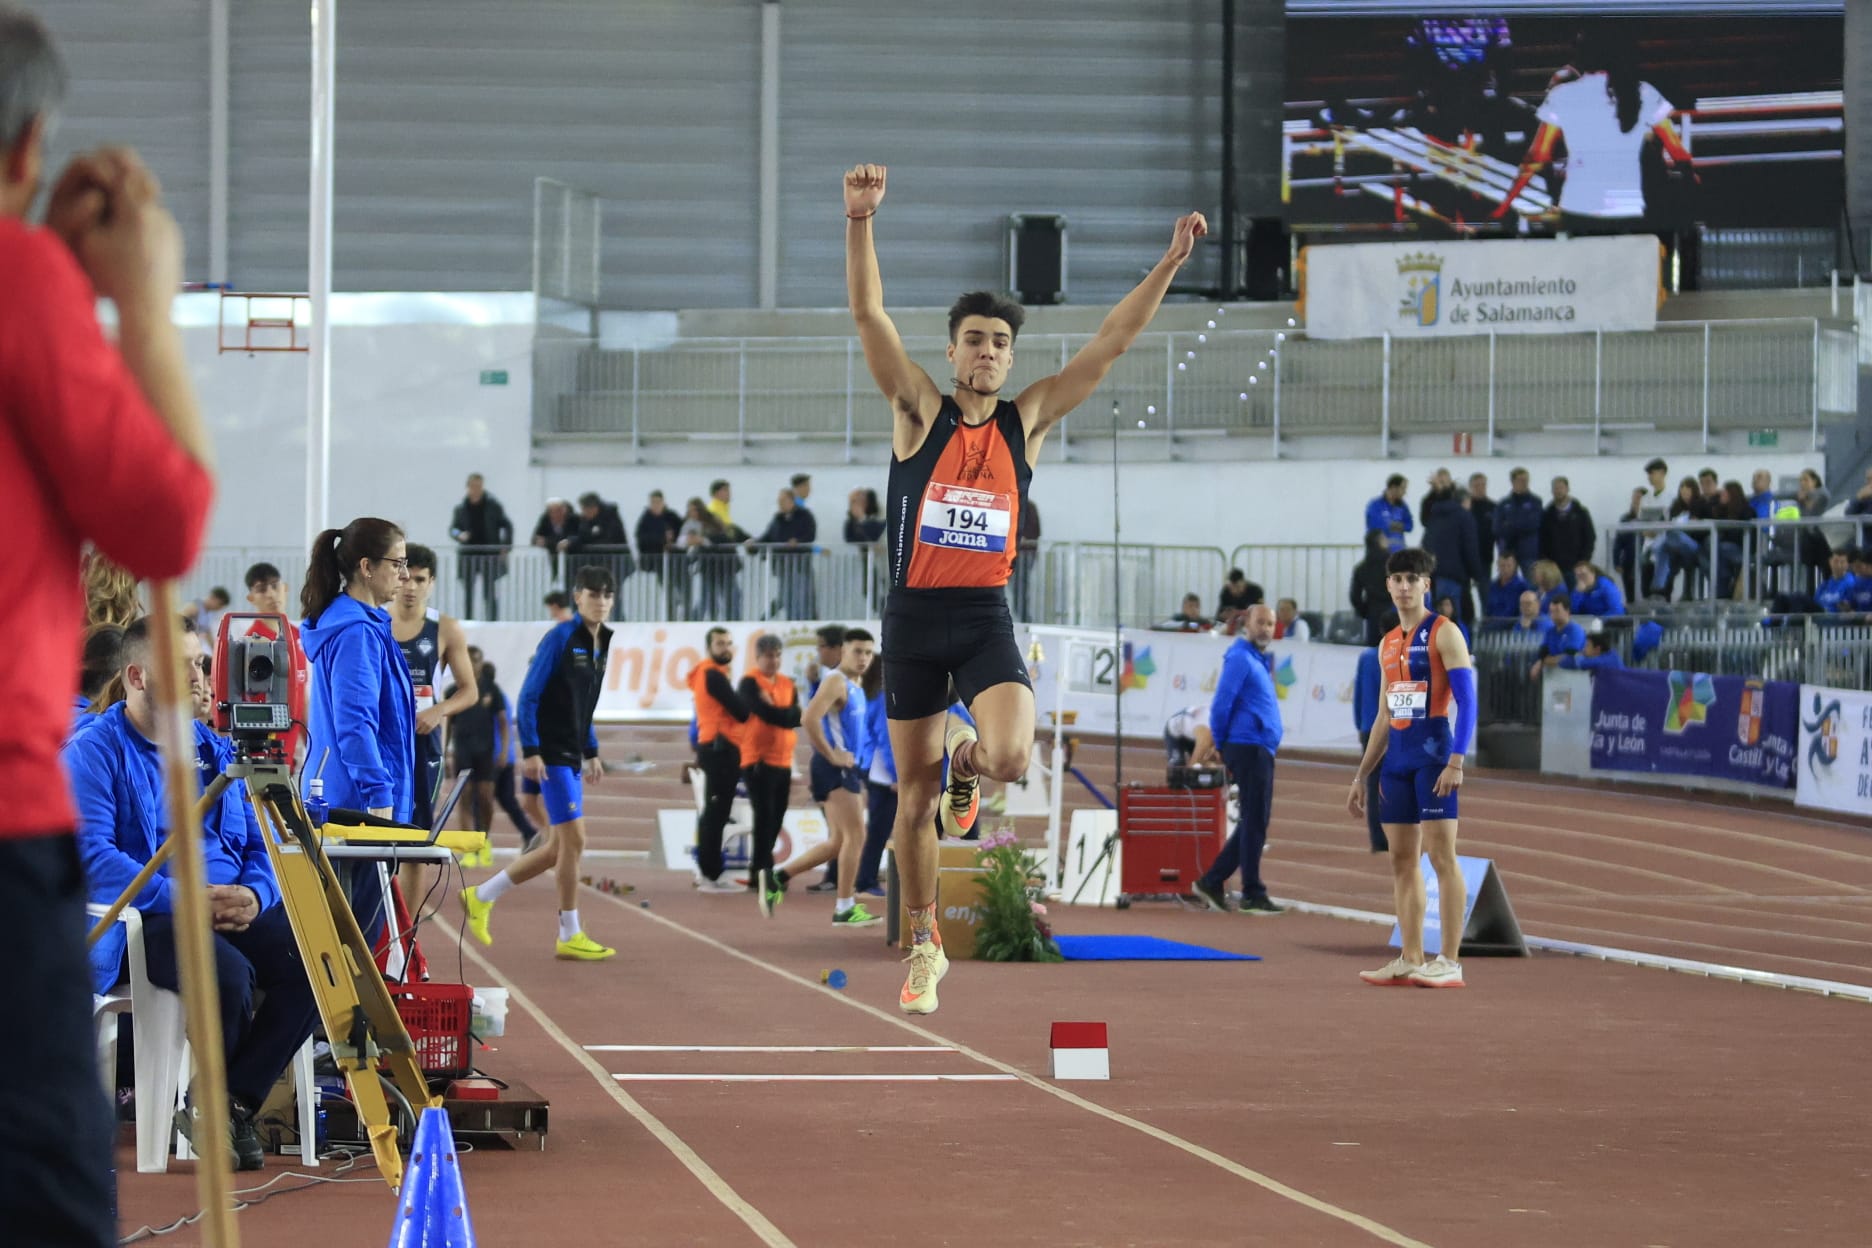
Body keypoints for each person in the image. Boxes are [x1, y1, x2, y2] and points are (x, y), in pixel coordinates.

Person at [846, 159, 1206, 1014]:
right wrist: (860, 220)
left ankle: (970, 763)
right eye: (975, 339)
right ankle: (925, 942)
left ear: (1011, 357)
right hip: (911, 621)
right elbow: (868, 312)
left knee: (1007, 757)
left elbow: (1110, 344)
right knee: (913, 802)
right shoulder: (917, 412)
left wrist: (1167, 266)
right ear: (953, 349)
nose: (988, 352)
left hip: (982, 617)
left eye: (1001, 342)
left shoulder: (1028, 418)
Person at [1, 22, 217, 1226]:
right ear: (31, 143)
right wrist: (142, 304)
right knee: (45, 1195)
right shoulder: (20, 283)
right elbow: (164, 521)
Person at [68, 617, 316, 1172]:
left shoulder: (219, 750)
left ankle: (225, 1102)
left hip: (229, 905)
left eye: (200, 662)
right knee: (227, 977)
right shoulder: (93, 751)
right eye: (182, 665)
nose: (200, 676)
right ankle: (219, 1107)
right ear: (136, 676)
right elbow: (92, 857)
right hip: (149, 915)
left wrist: (256, 894)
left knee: (324, 964)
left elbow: (265, 843)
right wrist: (181, 898)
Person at [461, 565, 616, 959]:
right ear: (577, 597)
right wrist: (530, 750)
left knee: (554, 848)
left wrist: (592, 748)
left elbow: (586, 704)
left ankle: (481, 896)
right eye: (592, 594)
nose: (600, 602)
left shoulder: (602, 642)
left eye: (606, 596)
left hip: (569, 751)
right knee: (575, 841)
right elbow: (529, 696)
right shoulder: (560, 637)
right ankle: (569, 933)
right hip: (549, 754)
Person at [1348, 547, 1476, 988]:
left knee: (1442, 857)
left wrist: (1457, 761)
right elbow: (1384, 716)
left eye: (1412, 579)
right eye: (1397, 579)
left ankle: (1450, 960)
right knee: (1402, 860)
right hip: (1397, 763)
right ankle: (1410, 955)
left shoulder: (1445, 633)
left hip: (1434, 759)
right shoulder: (1386, 644)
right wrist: (1363, 773)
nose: (1404, 587)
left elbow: (1467, 700)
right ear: (1387, 585)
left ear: (1427, 585)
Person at [1493, 28, 1691, 230]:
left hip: (1578, 209)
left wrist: (1505, 205)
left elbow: (1537, 156)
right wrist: (1693, 183)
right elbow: (1678, 153)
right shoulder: (1644, 92)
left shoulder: (1563, 95)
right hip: (1629, 211)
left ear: (1581, 57)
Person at [299, 519, 416, 824]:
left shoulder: (360, 623)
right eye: (397, 564)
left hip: (343, 794)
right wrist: (378, 790)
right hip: (353, 803)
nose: (404, 575)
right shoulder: (357, 632)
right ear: (367, 567)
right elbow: (354, 723)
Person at [767, 630, 880, 925]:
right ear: (844, 650)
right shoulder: (836, 681)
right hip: (833, 768)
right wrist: (832, 755)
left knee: (838, 841)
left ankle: (778, 877)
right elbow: (808, 719)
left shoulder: (855, 685)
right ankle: (844, 907)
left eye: (868, 653)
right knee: (857, 836)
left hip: (844, 768)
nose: (864, 658)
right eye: (858, 651)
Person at [1189, 604, 1284, 916]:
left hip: (1257, 747)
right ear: (1247, 624)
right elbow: (1221, 704)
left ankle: (1214, 881)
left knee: (1254, 820)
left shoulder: (1255, 659)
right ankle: (1251, 891)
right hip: (1247, 746)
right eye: (1260, 623)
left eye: (1270, 624)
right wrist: (1221, 742)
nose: (1266, 629)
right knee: (1256, 820)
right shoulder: (1241, 658)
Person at [734, 634, 806, 909]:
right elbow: (764, 713)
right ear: (758, 657)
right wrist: (781, 712)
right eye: (768, 656)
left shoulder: (787, 684)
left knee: (776, 817)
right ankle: (762, 872)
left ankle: (760, 868)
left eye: (777, 655)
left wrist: (781, 712)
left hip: (783, 760)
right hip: (757, 760)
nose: (773, 660)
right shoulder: (749, 682)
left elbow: (795, 717)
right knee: (764, 816)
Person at [686, 627, 752, 892]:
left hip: (719, 746)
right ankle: (711, 872)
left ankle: (710, 870)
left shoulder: (711, 673)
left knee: (717, 811)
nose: (725, 648)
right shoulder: (711, 674)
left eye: (728, 643)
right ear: (709, 646)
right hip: (719, 748)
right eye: (719, 643)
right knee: (716, 812)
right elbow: (741, 711)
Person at [853, 656, 893, 896]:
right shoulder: (882, 699)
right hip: (884, 774)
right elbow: (887, 741)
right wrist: (897, 775)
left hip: (878, 770)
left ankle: (866, 878)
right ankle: (866, 880)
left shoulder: (874, 695)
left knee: (878, 829)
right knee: (879, 830)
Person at [448, 473, 513, 620]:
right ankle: (468, 620)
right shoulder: (461, 508)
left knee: (489, 591)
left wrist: (505, 547)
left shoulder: (493, 506)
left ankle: (492, 621)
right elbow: (453, 529)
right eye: (473, 486)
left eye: (479, 486)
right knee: (468, 592)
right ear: (468, 487)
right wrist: (459, 535)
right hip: (468, 555)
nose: (476, 489)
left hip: (489, 554)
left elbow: (507, 525)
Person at [755, 486, 818, 620]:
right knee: (787, 596)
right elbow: (768, 536)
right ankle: (791, 621)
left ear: (791, 501)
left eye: (782, 500)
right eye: (779, 501)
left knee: (803, 596)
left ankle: (804, 622)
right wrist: (753, 543)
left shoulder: (805, 516)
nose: (780, 504)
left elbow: (810, 535)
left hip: (800, 564)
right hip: (783, 565)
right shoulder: (777, 519)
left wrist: (798, 541)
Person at [1351, 642, 1388, 853]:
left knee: (1374, 785)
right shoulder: (1401, 654)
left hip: (1368, 726)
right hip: (1393, 727)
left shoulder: (1366, 658)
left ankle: (1378, 839)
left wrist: (1360, 723)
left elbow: (1358, 692)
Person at [636, 490, 684, 619]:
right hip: (658, 562)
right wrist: (661, 539)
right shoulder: (646, 519)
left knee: (682, 589)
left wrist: (673, 540)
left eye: (658, 502)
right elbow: (642, 539)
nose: (656, 505)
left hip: (676, 560)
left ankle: (684, 615)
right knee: (667, 590)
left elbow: (682, 531)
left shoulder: (672, 516)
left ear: (663, 502)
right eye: (653, 502)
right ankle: (670, 616)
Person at [1539, 475, 1596, 583]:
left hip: (1576, 566)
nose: (1558, 491)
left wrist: (1584, 559)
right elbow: (1543, 539)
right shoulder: (1547, 514)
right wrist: (1546, 561)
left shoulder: (1581, 512)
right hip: (1554, 567)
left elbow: (1590, 537)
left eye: (1561, 488)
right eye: (1555, 488)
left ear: (1567, 489)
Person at [1494, 468, 1542, 572]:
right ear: (1513, 482)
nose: (1524, 483)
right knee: (1508, 584)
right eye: (1521, 480)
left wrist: (1510, 525)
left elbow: (1533, 524)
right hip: (1508, 551)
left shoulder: (1535, 502)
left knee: (1532, 584)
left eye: (1526, 480)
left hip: (1529, 552)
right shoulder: (1504, 503)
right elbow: (1497, 528)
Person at [1347, 532, 1392, 644]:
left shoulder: (1361, 567)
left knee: (1373, 649)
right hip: (1393, 610)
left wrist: (1364, 611)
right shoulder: (1393, 565)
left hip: (1372, 613)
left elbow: (1354, 596)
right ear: (1379, 542)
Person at [1530, 595, 1588, 680]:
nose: (1553, 615)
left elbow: (1570, 656)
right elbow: (1542, 654)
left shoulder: (1575, 630)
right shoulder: (1550, 631)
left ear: (1567, 611)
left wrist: (1546, 661)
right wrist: (1540, 662)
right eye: (1551, 611)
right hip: (1554, 679)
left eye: (1557, 611)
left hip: (1575, 677)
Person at [532, 497, 579, 582]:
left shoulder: (573, 519)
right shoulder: (545, 519)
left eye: (558, 510)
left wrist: (568, 541)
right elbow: (535, 537)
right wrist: (539, 540)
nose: (555, 514)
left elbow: (579, 535)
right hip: (553, 555)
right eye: (552, 511)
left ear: (564, 510)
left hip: (573, 556)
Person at [1365, 474, 1413, 553]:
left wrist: (1391, 525)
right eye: (1403, 488)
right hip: (1379, 553)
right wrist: (1396, 525)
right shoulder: (1375, 505)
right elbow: (1374, 524)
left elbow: (1409, 526)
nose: (1405, 492)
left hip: (1398, 554)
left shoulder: (1403, 506)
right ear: (1394, 488)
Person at [1163, 703, 1216, 770]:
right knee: (1178, 763)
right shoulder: (1205, 730)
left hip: (1192, 735)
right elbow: (1195, 761)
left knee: (1205, 764)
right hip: (1174, 733)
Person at [1483, 553, 1529, 619]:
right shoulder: (1493, 586)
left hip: (1512, 625)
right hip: (1492, 624)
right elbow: (1488, 610)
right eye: (1502, 566)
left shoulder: (1522, 586)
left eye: (1509, 566)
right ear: (1498, 566)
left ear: (1515, 566)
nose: (1506, 569)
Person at [1558, 630, 1623, 672]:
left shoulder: (1607, 660)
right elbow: (1563, 663)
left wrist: (1575, 653)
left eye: (1587, 646)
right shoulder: (1609, 655)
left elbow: (1580, 663)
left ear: (1597, 649)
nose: (1584, 649)